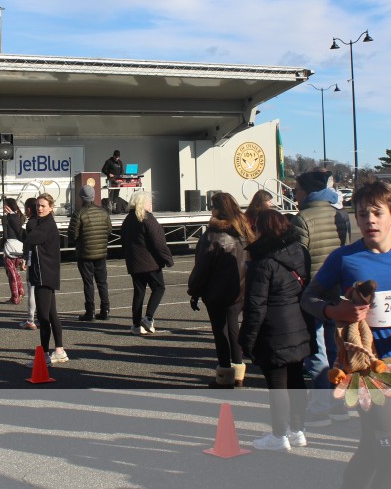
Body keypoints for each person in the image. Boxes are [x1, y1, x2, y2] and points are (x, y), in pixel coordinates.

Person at [301, 180, 391, 489]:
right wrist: (335, 311)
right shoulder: (344, 258)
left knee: (373, 447)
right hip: (364, 370)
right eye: (363, 214)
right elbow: (308, 298)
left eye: (377, 213)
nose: (369, 220)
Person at [239, 208, 311, 451]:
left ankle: (279, 435)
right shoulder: (299, 251)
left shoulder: (262, 263)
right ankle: (297, 430)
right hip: (298, 323)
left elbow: (255, 306)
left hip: (274, 329)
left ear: (262, 230)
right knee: (297, 380)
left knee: (277, 385)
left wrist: (247, 339)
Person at [291, 169, 351, 427]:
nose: (294, 194)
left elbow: (299, 260)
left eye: (296, 190)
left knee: (316, 350)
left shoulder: (301, 219)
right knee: (336, 348)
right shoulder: (340, 215)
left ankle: (320, 406)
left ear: (306, 192)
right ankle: (339, 403)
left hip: (313, 292)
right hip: (337, 290)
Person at [188, 191, 253, 388]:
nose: (211, 211)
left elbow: (202, 267)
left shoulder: (213, 235)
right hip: (239, 289)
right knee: (233, 328)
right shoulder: (243, 231)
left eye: (213, 207)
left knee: (220, 331)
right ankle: (238, 371)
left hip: (217, 291)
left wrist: (194, 290)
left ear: (218, 209)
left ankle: (225, 374)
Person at [120, 191, 173, 335]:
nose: (151, 204)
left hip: (134, 262)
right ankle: (148, 318)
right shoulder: (148, 218)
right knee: (159, 288)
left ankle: (136, 325)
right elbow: (159, 242)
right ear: (144, 203)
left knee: (139, 292)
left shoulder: (128, 219)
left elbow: (123, 240)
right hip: (150, 263)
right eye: (149, 202)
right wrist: (168, 258)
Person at [24, 192, 68, 364]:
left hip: (45, 274)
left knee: (43, 317)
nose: (39, 209)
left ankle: (44, 355)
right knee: (51, 313)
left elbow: (30, 237)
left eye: (43, 206)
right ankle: (59, 350)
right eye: (37, 206)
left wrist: (19, 221)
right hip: (43, 273)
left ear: (51, 208)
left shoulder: (47, 225)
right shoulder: (41, 223)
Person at [68, 184, 113, 321]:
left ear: (81, 197)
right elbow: (109, 230)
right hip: (101, 253)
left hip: (85, 253)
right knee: (102, 282)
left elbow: (72, 235)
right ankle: (105, 310)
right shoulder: (103, 212)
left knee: (88, 283)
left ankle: (90, 312)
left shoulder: (79, 213)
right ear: (93, 196)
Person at [17, 198, 39, 330]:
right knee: (42, 292)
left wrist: (24, 259)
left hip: (33, 259)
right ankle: (41, 318)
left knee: (32, 290)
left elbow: (28, 244)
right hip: (45, 260)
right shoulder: (46, 222)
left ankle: (30, 319)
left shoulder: (31, 223)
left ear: (29, 209)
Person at [1, 198, 26, 304]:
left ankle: (15, 296)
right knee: (15, 272)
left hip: (10, 246)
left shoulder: (7, 217)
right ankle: (20, 292)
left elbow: (5, 233)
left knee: (11, 274)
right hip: (20, 245)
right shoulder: (21, 216)